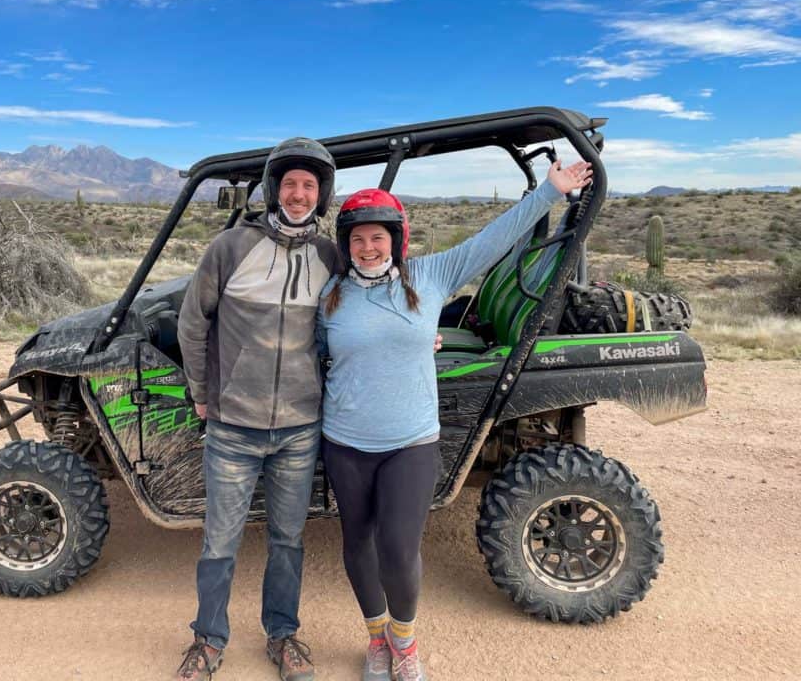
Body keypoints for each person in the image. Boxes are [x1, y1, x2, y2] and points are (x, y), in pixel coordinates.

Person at [317, 160, 593, 681]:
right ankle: (376, 639)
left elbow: (491, 242)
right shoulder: (330, 296)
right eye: (358, 239)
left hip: (410, 442)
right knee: (358, 543)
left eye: (378, 237)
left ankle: (404, 642)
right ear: (346, 243)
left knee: (398, 548)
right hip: (345, 441)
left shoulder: (430, 275)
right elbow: (306, 353)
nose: (368, 247)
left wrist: (549, 193)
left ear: (397, 239)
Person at [175, 137, 339, 681]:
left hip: (299, 426)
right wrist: (201, 392)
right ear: (274, 188)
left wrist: (421, 334)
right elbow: (193, 323)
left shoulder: (329, 256)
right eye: (290, 183)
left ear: (321, 194)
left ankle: (284, 635)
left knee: (288, 541)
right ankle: (208, 639)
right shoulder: (231, 247)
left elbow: (364, 311)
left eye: (309, 185)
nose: (298, 194)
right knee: (219, 541)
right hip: (233, 426)